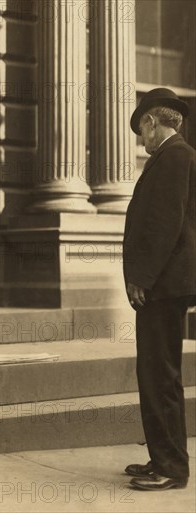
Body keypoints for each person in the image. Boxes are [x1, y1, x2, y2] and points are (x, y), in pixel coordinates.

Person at [123, 87, 196, 490]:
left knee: (159, 375)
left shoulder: (175, 156)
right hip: (164, 285)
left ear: (152, 121)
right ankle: (162, 459)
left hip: (162, 287)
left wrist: (141, 279)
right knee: (156, 374)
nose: (142, 140)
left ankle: (170, 467)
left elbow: (163, 225)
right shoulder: (174, 157)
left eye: (142, 131)